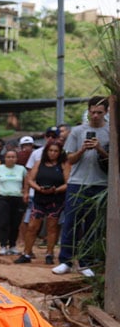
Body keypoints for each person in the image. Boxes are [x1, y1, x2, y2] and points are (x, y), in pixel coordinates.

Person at [53, 96, 111, 277]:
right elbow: (69, 159)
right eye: (92, 112)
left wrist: (100, 149)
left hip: (100, 184)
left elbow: (113, 161)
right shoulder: (77, 131)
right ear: (88, 111)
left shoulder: (111, 131)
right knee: (71, 222)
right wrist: (83, 149)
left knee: (92, 225)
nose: (95, 116)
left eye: (99, 112)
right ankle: (65, 261)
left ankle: (86, 262)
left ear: (106, 112)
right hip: (77, 183)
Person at [16, 140, 69, 264]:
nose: (53, 153)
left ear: (60, 152)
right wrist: (37, 188)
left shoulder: (63, 165)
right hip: (39, 198)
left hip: (56, 200)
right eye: (50, 150)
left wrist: (55, 190)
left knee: (52, 227)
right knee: (32, 226)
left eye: (56, 151)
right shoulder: (39, 163)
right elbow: (30, 179)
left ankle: (49, 254)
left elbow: (68, 183)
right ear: (46, 151)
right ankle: (26, 253)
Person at [0, 149, 26, 256]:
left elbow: (28, 179)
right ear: (4, 158)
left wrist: (25, 190)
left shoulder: (21, 169)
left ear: (16, 158)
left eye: (13, 157)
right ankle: (3, 245)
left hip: (17, 197)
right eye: (8, 157)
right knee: (3, 222)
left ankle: (12, 245)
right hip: (2, 197)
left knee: (15, 223)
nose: (11, 159)